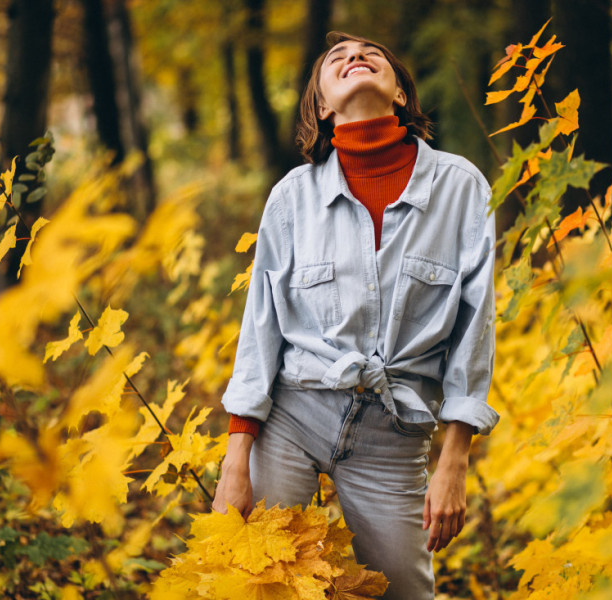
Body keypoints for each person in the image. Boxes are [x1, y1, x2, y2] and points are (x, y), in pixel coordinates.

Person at [212, 31, 499, 600]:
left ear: (399, 95)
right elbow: (260, 330)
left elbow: (475, 328)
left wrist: (455, 456)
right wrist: (235, 457)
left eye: (372, 54)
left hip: (394, 434)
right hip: (294, 415)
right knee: (259, 583)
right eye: (337, 59)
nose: (355, 57)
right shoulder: (292, 198)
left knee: (405, 594)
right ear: (322, 105)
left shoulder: (460, 187)